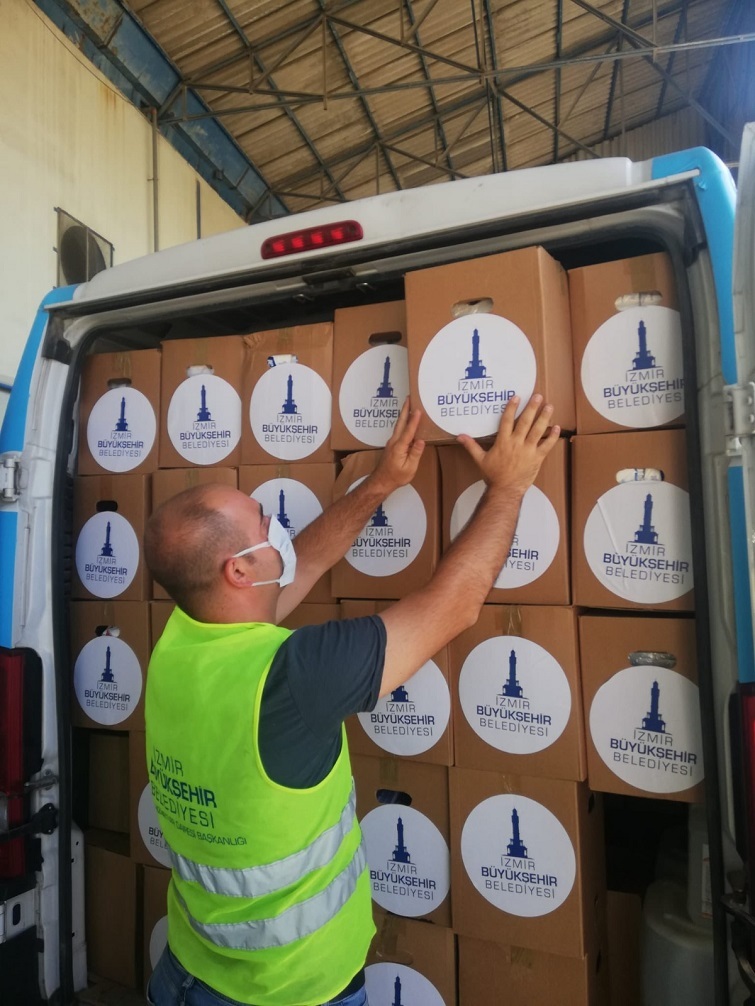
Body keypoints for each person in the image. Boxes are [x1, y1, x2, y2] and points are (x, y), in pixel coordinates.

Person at [143, 393, 559, 1006]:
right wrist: (509, 487)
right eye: (263, 522)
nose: (277, 527)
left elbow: (301, 564)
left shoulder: (181, 640)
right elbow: (453, 606)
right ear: (239, 571)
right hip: (288, 991)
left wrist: (381, 484)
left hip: (185, 970)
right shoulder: (293, 677)